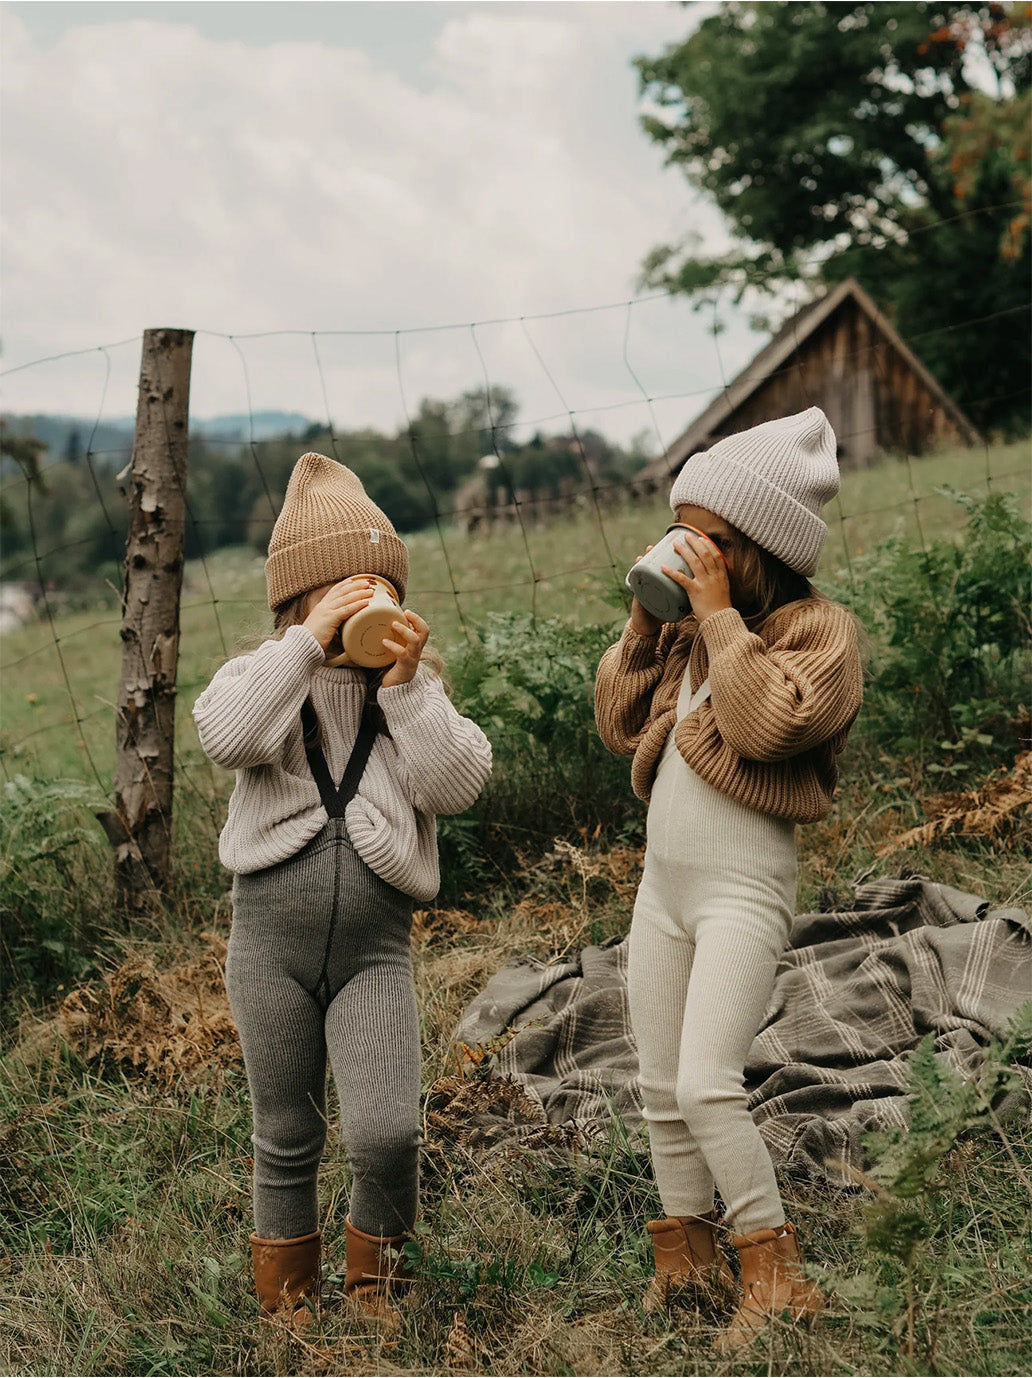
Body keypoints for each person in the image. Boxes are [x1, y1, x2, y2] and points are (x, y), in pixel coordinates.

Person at [194, 452, 492, 1324]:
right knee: (285, 1134)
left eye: (377, 589)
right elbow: (230, 736)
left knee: (385, 1133)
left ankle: (379, 1287)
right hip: (270, 951)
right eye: (339, 591)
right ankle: (288, 1303)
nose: (361, 606)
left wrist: (404, 690)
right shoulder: (262, 679)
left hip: (374, 951)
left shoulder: (413, 696)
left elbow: (457, 785)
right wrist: (304, 644)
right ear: (300, 598)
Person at [594, 408, 863, 1351]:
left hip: (742, 891)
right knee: (662, 1083)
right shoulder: (689, 634)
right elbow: (622, 726)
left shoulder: (816, 633)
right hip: (662, 891)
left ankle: (776, 1270)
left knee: (711, 1084)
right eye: (683, 536)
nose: (689, 556)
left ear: (757, 551)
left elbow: (766, 729)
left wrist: (715, 623)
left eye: (706, 543)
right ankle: (689, 1261)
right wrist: (645, 628)